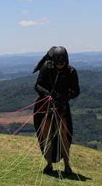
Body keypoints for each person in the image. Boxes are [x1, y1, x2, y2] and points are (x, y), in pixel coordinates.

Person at [33, 46, 80, 175]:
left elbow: (76, 91)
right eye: (58, 63)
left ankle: (67, 166)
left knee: (64, 136)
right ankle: (48, 164)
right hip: (45, 106)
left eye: (62, 63)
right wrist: (47, 94)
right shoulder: (46, 68)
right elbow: (37, 85)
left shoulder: (71, 72)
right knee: (46, 135)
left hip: (61, 107)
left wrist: (64, 96)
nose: (60, 66)